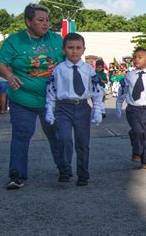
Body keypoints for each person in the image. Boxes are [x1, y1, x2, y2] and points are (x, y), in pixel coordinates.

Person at [0, 3, 63, 189]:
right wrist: (9, 76)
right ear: (28, 21)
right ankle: (17, 175)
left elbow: (70, 60)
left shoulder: (56, 40)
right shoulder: (14, 41)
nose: (45, 24)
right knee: (21, 135)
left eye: (47, 20)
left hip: (52, 100)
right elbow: (0, 62)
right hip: (22, 99)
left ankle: (64, 168)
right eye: (40, 20)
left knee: (56, 135)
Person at [45, 33, 104, 186]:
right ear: (64, 49)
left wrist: (98, 109)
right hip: (63, 107)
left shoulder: (88, 70)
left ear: (84, 49)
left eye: (78, 48)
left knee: (83, 142)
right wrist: (49, 110)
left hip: (82, 107)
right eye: (70, 48)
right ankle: (65, 170)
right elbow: (51, 90)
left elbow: (96, 90)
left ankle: (83, 174)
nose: (74, 51)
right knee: (64, 139)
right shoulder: (58, 69)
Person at [116, 48, 146, 169]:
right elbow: (122, 91)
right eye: (135, 57)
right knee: (138, 131)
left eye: (140, 57)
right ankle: (136, 149)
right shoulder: (129, 75)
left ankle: (145, 159)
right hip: (133, 109)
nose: (136, 59)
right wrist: (118, 105)